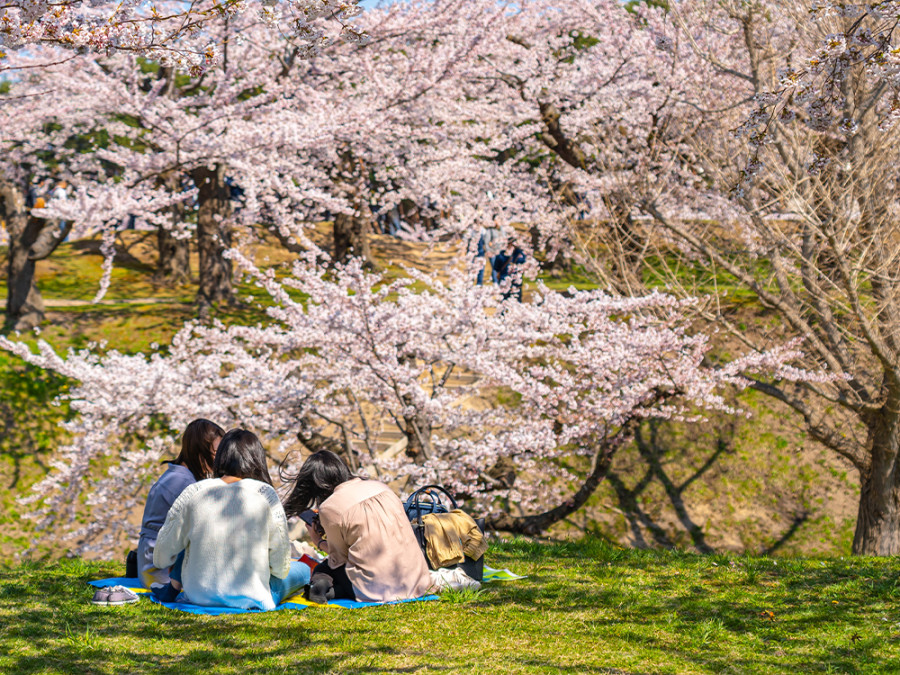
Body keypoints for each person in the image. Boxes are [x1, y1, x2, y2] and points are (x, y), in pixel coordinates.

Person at [153, 429, 310, 610]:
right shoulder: (264, 493)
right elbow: (280, 568)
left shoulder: (194, 491)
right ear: (256, 458)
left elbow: (161, 557)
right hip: (253, 595)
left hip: (198, 595)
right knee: (303, 570)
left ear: (221, 457)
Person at [283, 450, 432, 603]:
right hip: (417, 579)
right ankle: (331, 590)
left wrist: (318, 541)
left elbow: (339, 559)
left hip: (378, 587)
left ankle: (322, 589)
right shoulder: (381, 486)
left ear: (316, 485)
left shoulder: (330, 507)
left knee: (326, 567)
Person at [137, 419, 224, 591]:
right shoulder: (182, 482)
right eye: (216, 453)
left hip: (154, 558)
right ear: (199, 452)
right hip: (160, 569)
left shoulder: (178, 474)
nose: (220, 459)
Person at [492, 237, 527, 302]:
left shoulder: (517, 254)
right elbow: (497, 267)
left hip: (511, 280)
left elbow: (496, 267)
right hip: (509, 280)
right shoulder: (518, 254)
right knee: (508, 300)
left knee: (509, 300)